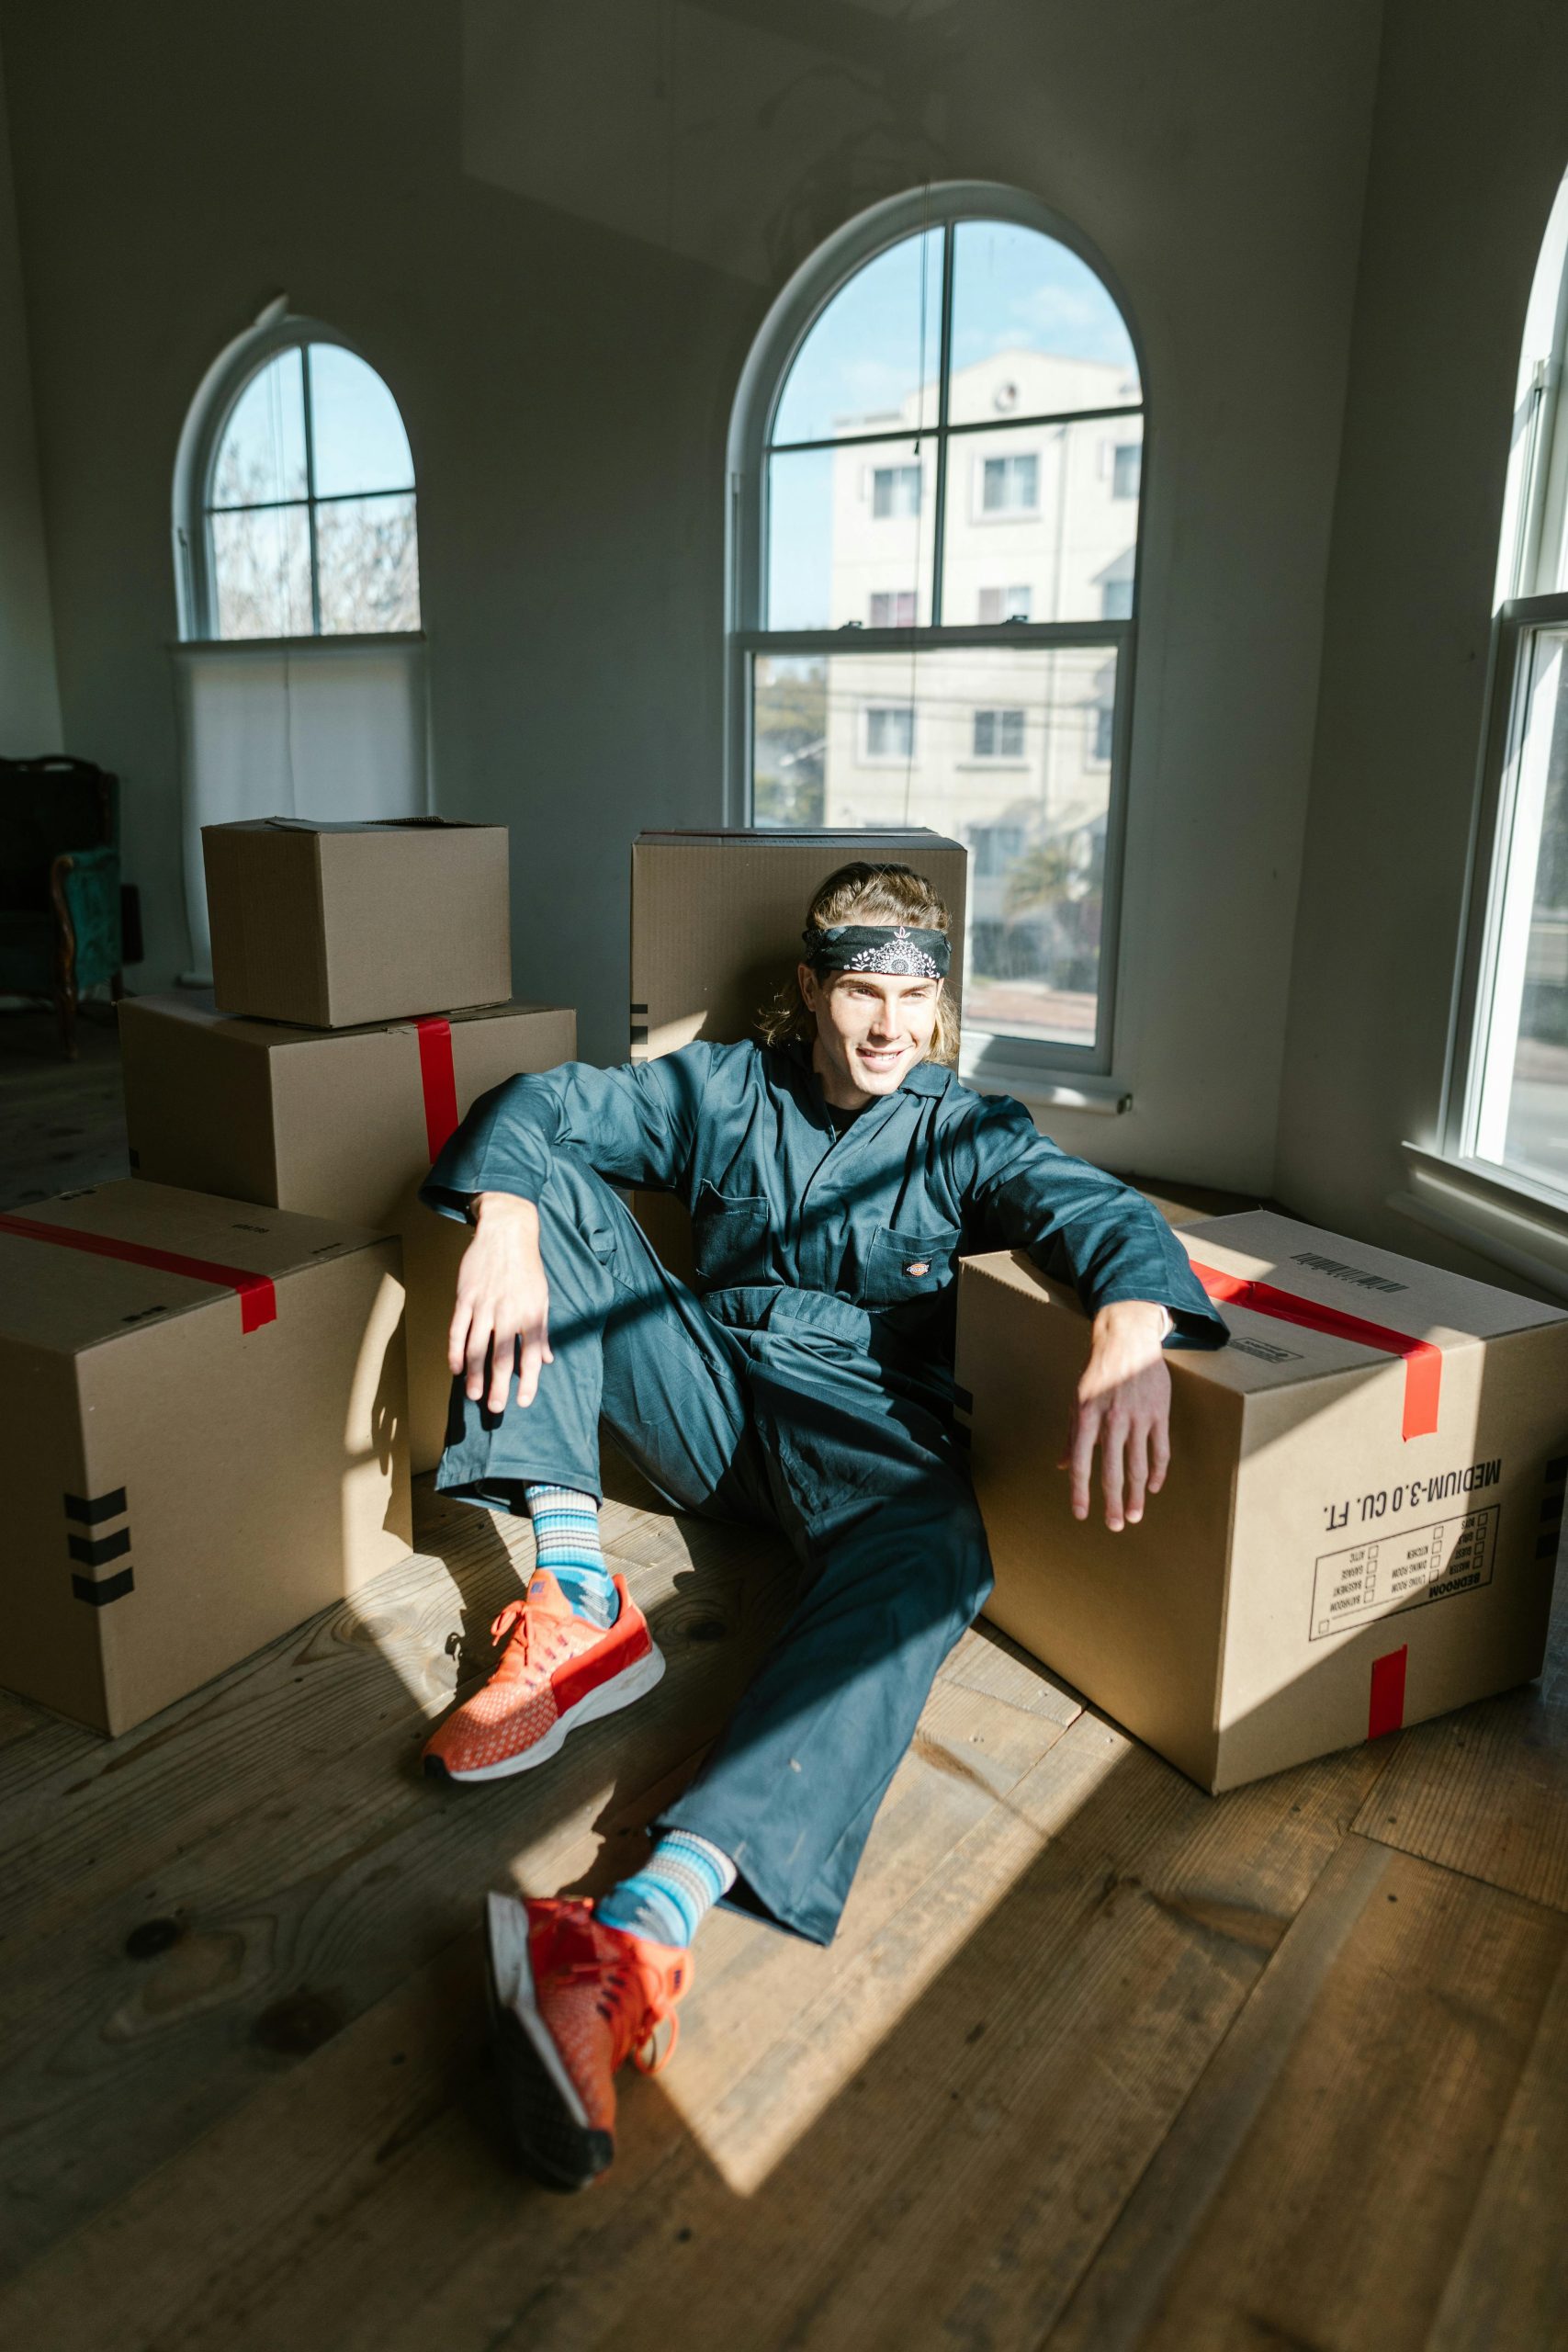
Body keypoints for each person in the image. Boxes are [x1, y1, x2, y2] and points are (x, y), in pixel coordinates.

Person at [419, 860, 1228, 2191]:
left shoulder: (965, 1128)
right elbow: (548, 1105)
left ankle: (633, 1931)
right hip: (707, 1398)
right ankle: (580, 1600)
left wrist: (1134, 1316)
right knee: (550, 1178)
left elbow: (1087, 1204)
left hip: (862, 1426)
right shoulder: (726, 1085)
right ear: (810, 990)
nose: (891, 1024)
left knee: (936, 1560)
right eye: (863, 988)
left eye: (917, 994)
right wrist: (504, 1216)